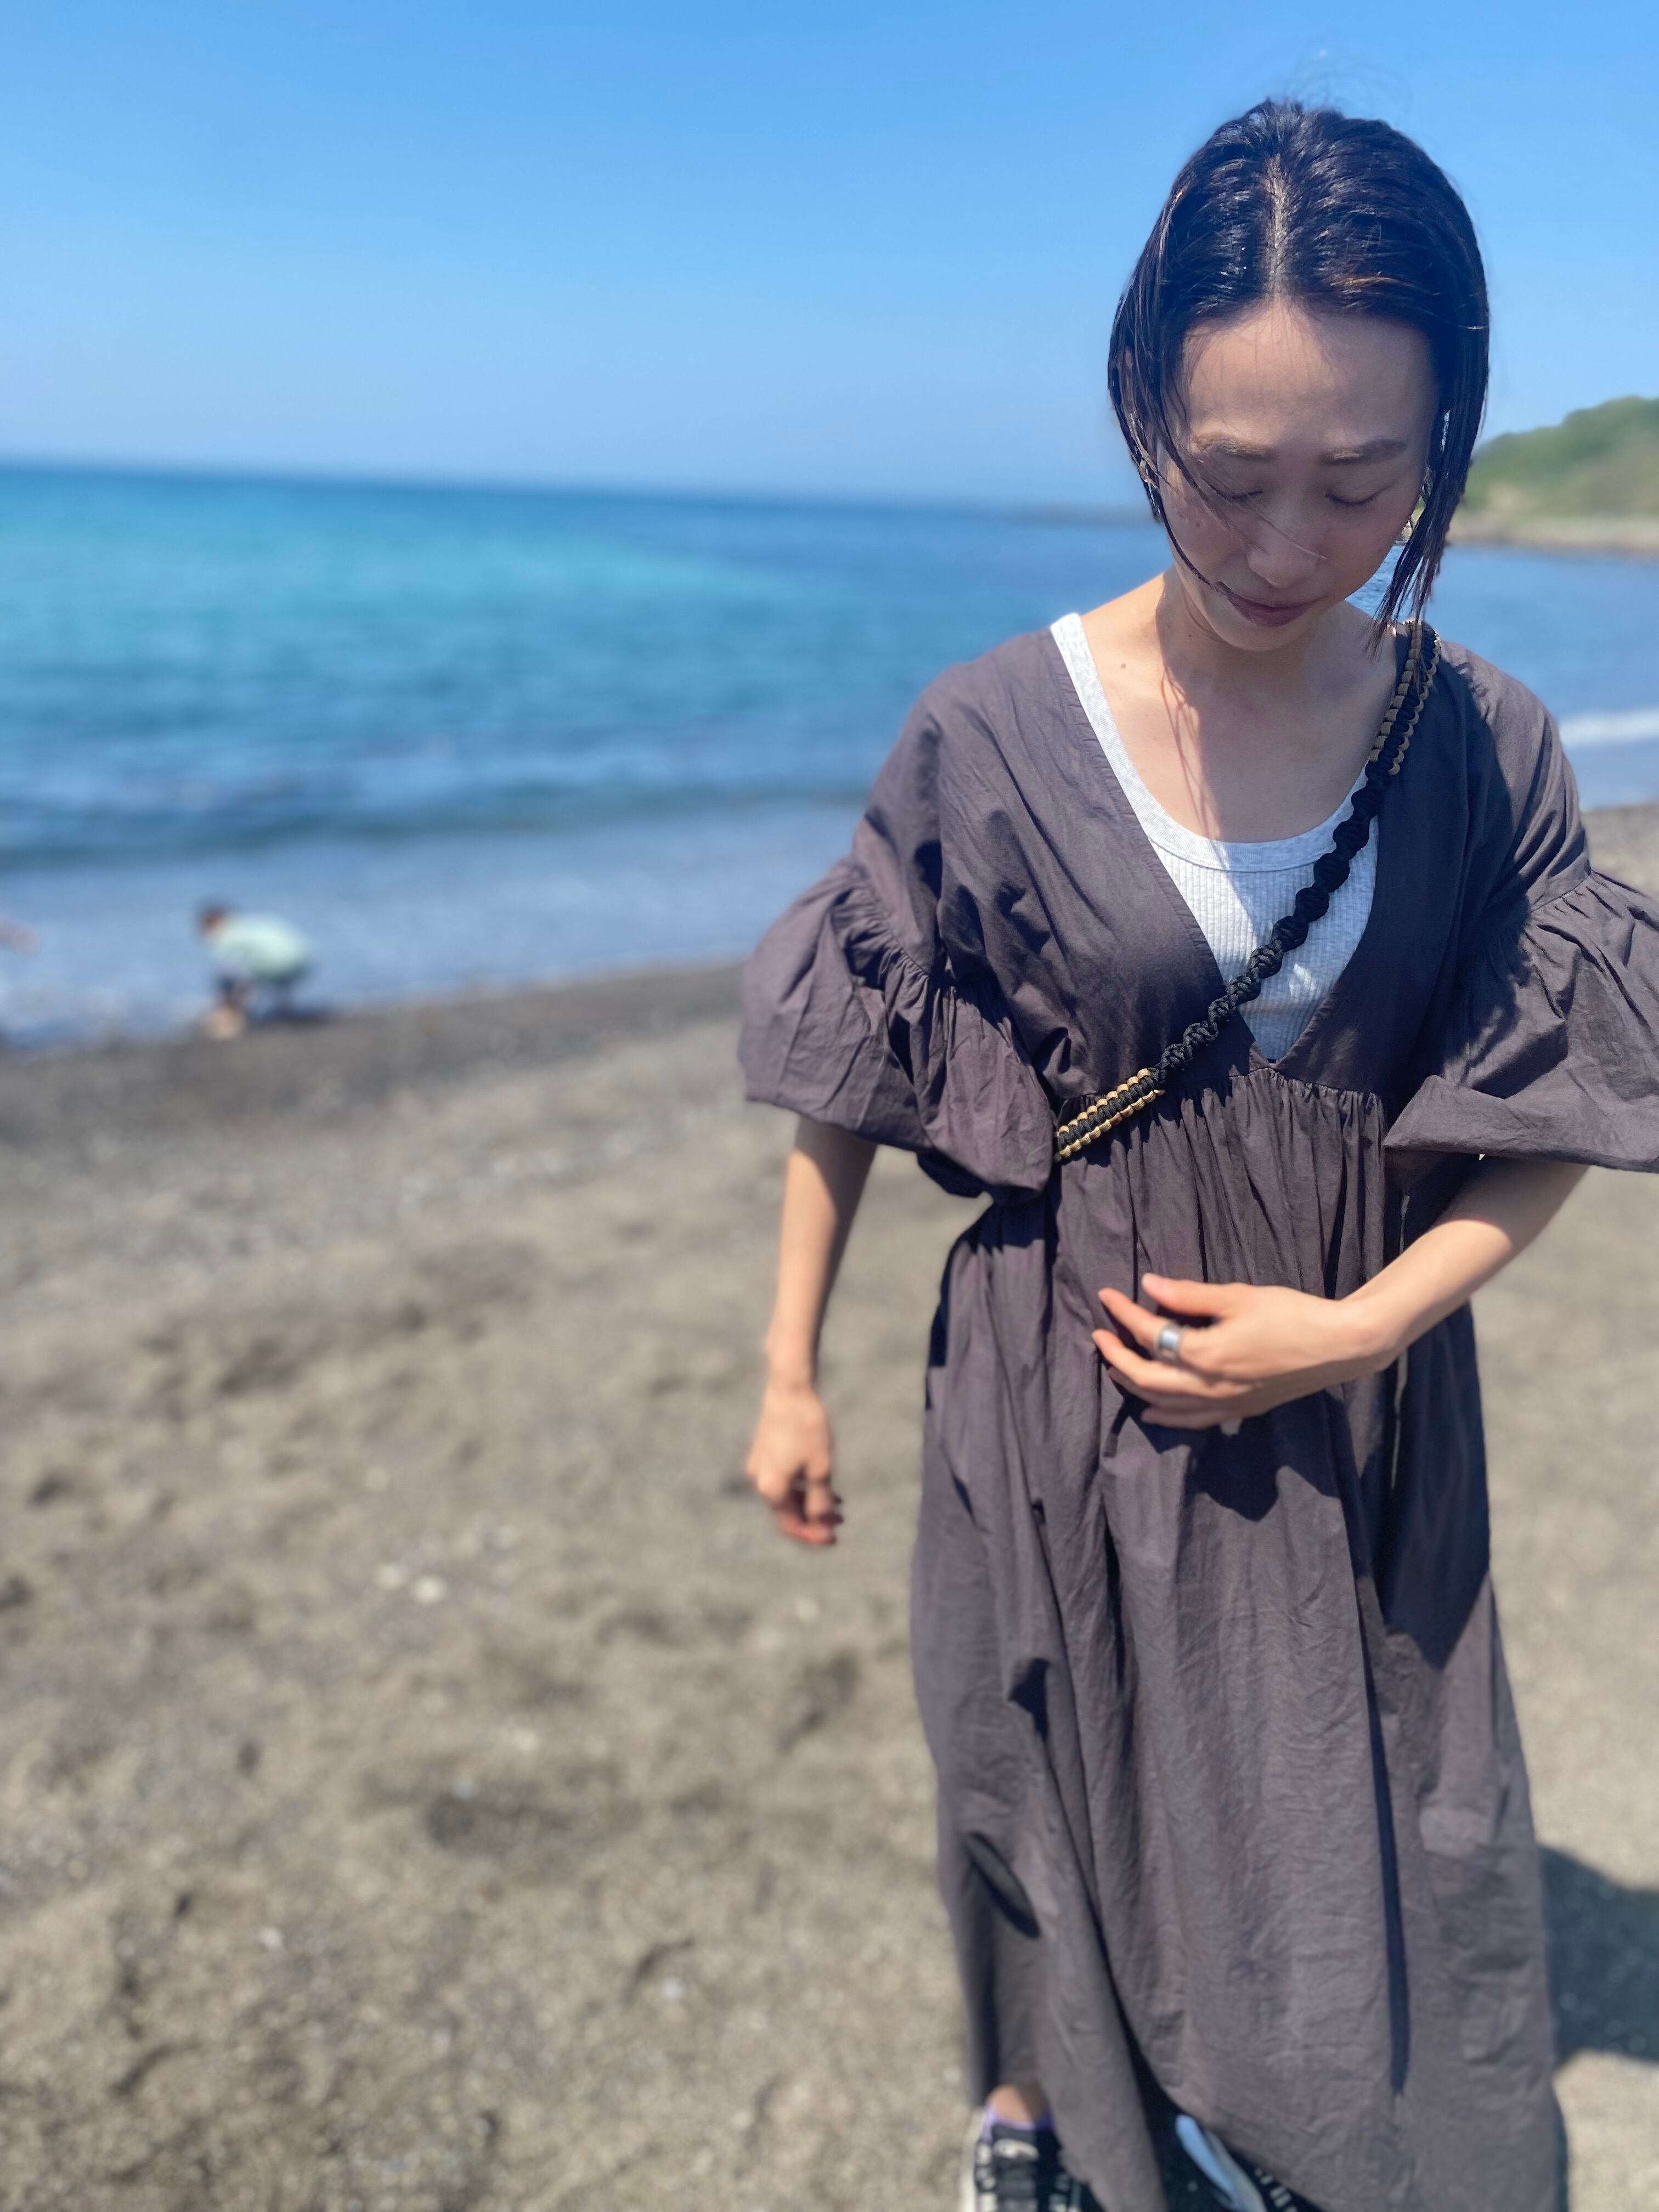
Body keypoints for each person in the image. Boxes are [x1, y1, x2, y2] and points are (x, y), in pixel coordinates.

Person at [740, 102, 1659, 2212]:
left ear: (1443, 439)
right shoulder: (985, 733)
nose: (1284, 542)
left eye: (1362, 480)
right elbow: (851, 1062)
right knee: (1048, 1789)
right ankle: (1039, 2121)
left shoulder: (1486, 743)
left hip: (1360, 1413)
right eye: (1227, 474)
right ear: (1138, 405)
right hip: (1057, 1395)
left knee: (1376, 1836)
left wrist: (1362, 1324)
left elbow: (1549, 1104)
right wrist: (786, 1366)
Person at [196, 901, 313, 1038]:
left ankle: (233, 1016)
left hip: (277, 964)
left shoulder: (225, 935)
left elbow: (230, 971)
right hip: (304, 959)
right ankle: (285, 1010)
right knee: (258, 967)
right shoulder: (248, 924)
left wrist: (226, 998)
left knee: (228, 978)